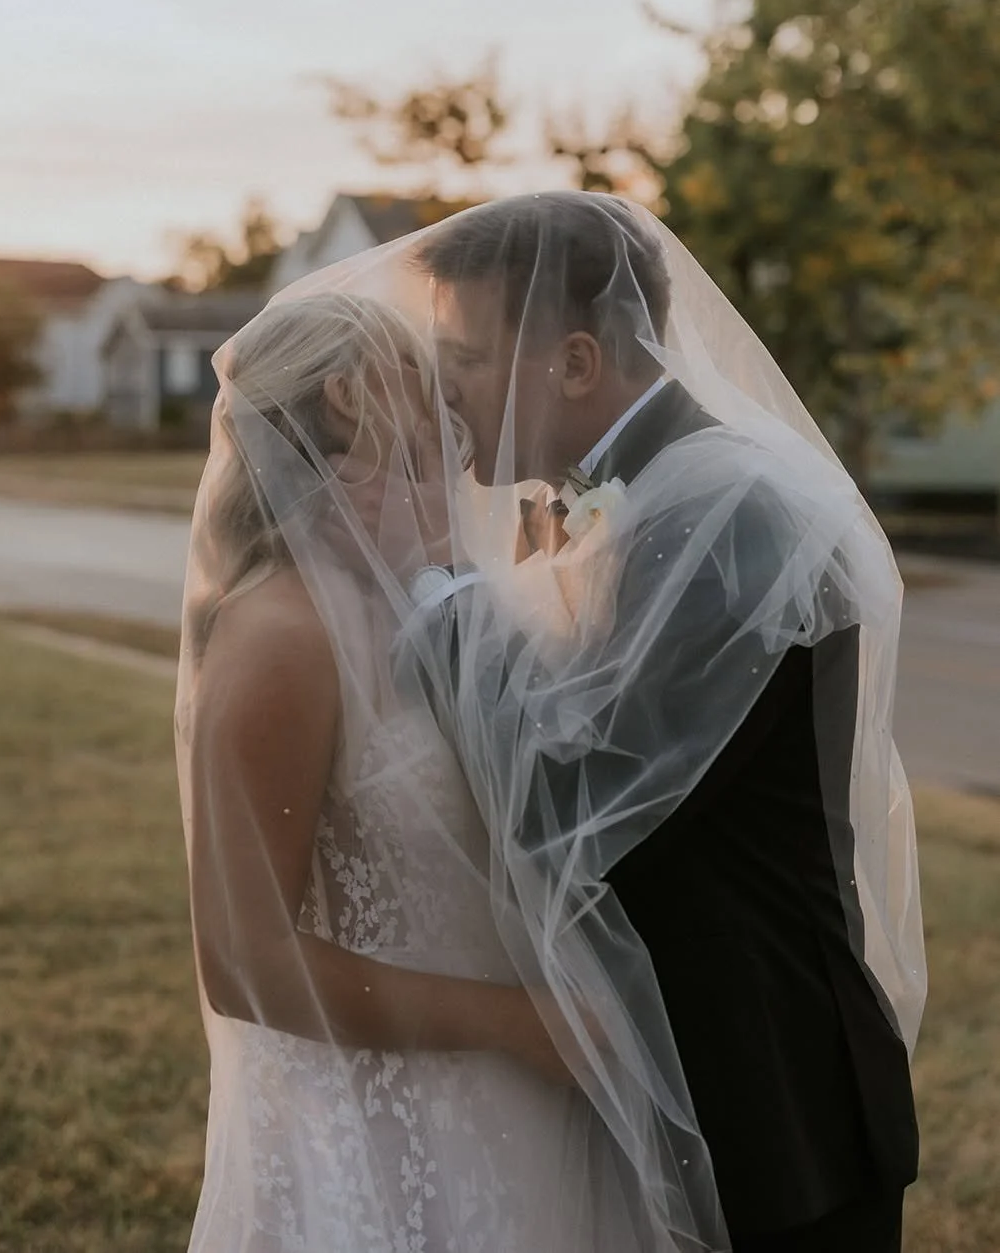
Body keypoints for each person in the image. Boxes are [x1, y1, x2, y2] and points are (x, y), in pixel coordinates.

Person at [332, 192, 925, 1252]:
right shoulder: (623, 496)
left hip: (761, 1089)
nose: (441, 386)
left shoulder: (728, 514)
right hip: (664, 1067)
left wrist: (428, 582)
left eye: (463, 355)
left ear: (570, 363)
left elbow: (576, 798)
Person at [175, 290, 640, 1252]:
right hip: (384, 1125)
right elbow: (240, 959)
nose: (455, 442)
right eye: (421, 437)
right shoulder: (281, 635)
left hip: (510, 1102)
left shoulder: (412, 597)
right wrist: (518, 1024)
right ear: (339, 434)